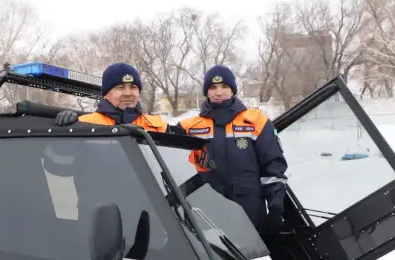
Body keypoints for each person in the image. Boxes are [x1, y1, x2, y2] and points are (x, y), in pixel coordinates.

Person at [177, 65, 288, 233]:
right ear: (207, 92)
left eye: (224, 87)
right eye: (213, 87)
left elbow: (273, 165)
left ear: (233, 90)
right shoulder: (190, 126)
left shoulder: (256, 121)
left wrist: (275, 207)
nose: (219, 92)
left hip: (250, 205)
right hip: (209, 207)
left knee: (253, 255)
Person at [54, 63, 167, 132]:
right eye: (120, 87)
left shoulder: (157, 125)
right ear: (106, 94)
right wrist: (65, 130)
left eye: (133, 87)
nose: (128, 93)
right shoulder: (84, 125)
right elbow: (59, 168)